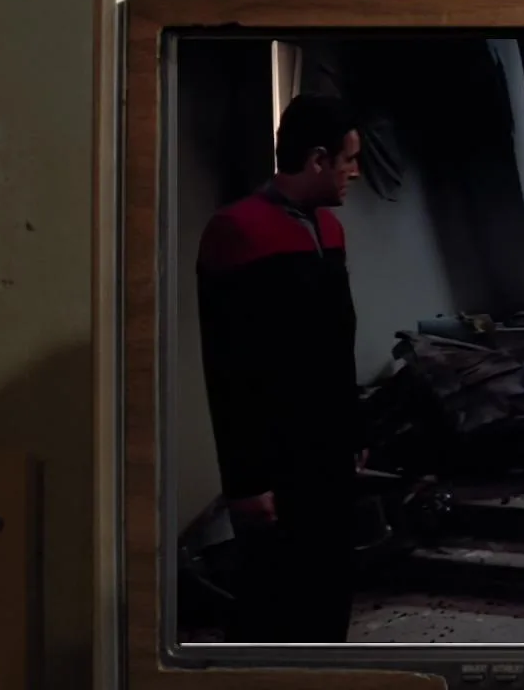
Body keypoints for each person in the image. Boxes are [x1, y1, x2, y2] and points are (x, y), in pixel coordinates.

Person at [196, 93, 365, 642]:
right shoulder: (237, 231)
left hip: (329, 454)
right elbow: (226, 365)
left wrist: (353, 432)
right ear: (317, 160)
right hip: (275, 461)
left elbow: (337, 345)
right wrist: (245, 481)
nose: (355, 173)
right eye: (348, 160)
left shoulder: (330, 231)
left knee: (330, 591)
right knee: (275, 604)